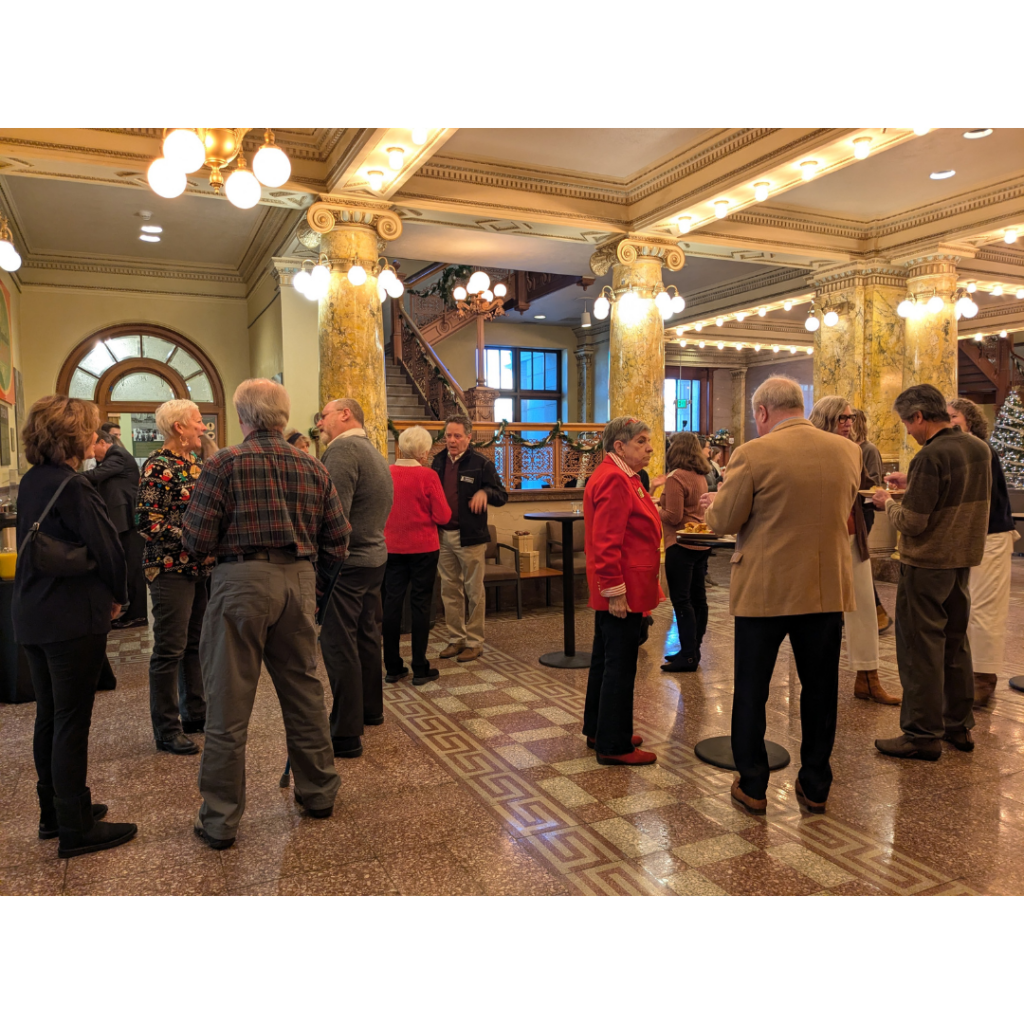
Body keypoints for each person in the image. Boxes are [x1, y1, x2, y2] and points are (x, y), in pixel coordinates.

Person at [182, 379, 349, 849]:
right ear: (282, 415)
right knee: (304, 694)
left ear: (243, 418)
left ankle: (220, 820)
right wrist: (309, 583)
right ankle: (318, 793)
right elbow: (339, 539)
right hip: (298, 581)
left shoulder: (222, 464)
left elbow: (194, 540)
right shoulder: (312, 466)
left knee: (229, 707)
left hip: (240, 582)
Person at [703, 376, 861, 815]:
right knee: (820, 689)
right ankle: (815, 786)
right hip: (825, 587)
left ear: (762, 413)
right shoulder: (848, 451)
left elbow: (726, 520)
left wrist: (713, 505)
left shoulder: (753, 453)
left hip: (765, 589)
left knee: (752, 690)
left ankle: (753, 785)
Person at [14, 395, 136, 858]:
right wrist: (120, 595)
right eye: (90, 429)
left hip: (32, 612)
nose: (95, 437)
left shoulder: (32, 481)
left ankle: (55, 812)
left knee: (49, 715)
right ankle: (76, 828)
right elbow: (108, 549)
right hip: (70, 615)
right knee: (71, 720)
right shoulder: (76, 486)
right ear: (71, 436)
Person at [870, 384, 991, 761]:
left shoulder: (930, 455)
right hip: (962, 560)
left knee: (920, 649)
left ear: (920, 416)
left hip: (926, 565)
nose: (907, 430)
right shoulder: (978, 448)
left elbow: (914, 523)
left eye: (907, 422)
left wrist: (886, 502)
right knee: (955, 644)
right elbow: (953, 497)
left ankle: (922, 735)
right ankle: (959, 725)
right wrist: (912, 483)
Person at [583, 416, 663, 766]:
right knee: (620, 665)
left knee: (605, 659)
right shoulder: (615, 478)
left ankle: (600, 728)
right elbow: (606, 542)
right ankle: (614, 745)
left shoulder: (620, 475)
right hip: (623, 589)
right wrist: (615, 591)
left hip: (626, 584)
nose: (649, 448)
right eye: (642, 441)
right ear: (619, 446)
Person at [316, 397, 394, 758]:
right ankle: (370, 709)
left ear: (345, 414)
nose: (319, 423)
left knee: (338, 642)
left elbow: (335, 517)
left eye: (324, 416)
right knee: (365, 637)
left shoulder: (343, 451)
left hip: (347, 563)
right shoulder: (373, 451)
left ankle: (346, 733)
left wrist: (322, 564)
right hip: (373, 558)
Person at [809, 397, 898, 705]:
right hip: (817, 542)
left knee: (863, 610)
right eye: (841, 418)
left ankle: (869, 678)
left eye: (850, 418)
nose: (848, 423)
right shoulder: (811, 449)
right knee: (818, 617)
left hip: (851, 536)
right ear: (825, 419)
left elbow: (865, 488)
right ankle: (817, 684)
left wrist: (880, 493)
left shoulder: (857, 451)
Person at [136, 399, 211, 756]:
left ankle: (195, 712)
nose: (203, 427)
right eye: (198, 422)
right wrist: (194, 538)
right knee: (169, 650)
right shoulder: (157, 466)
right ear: (179, 427)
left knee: (194, 645)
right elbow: (148, 524)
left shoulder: (195, 463)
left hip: (197, 569)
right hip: (169, 569)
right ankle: (166, 729)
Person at [947, 398, 1015, 709]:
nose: (949, 422)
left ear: (970, 421)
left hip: (992, 537)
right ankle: (965, 674)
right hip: (970, 538)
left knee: (985, 611)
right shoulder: (962, 450)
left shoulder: (979, 450)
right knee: (967, 609)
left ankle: (985, 679)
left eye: (954, 417)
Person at [430, 414, 508, 662]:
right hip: (443, 535)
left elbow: (501, 495)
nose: (452, 441)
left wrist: (485, 492)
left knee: (474, 590)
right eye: (448, 436)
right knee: (449, 589)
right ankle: (456, 639)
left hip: (471, 537)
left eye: (457, 436)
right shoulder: (438, 461)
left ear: (469, 437)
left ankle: (474, 642)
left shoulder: (481, 463)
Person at [382, 425, 450, 686]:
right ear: (423, 453)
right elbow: (443, 516)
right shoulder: (428, 476)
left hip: (391, 547)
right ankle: (420, 667)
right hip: (423, 548)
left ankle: (392, 666)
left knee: (391, 604)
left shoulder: (387, 473)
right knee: (420, 605)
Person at [657, 431, 711, 673]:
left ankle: (688, 655)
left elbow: (674, 516)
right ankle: (693, 649)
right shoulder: (700, 476)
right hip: (700, 542)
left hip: (680, 543)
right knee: (698, 599)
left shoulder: (675, 477)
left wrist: (651, 508)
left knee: (682, 600)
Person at [85, 429, 147, 631]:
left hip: (129, 521)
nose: (93, 453)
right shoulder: (111, 458)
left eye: (94, 446)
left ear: (103, 443)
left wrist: (68, 478)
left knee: (133, 569)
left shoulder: (117, 455)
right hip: (122, 520)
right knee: (128, 567)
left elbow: (96, 476)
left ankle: (138, 615)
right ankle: (132, 612)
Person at [850, 408, 890, 633]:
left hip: (863, 512)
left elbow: (874, 483)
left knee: (858, 562)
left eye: (849, 420)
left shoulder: (868, 449)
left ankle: (878, 614)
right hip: (849, 512)